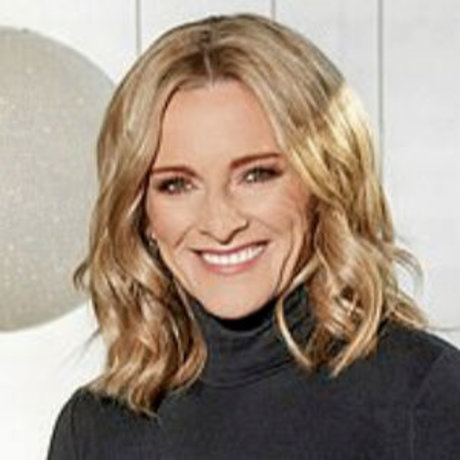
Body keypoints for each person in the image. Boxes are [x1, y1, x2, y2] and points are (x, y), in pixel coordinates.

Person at [47, 13, 460, 459]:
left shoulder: (425, 397)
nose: (220, 224)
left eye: (256, 175)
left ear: (324, 181)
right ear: (142, 213)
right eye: (176, 184)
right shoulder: (94, 428)